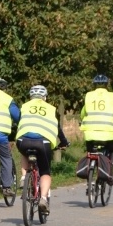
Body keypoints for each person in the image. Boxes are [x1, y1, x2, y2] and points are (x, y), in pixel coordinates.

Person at [15, 85, 69, 215]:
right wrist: (64, 142)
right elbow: (57, 129)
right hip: (43, 143)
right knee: (45, 171)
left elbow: (20, 122)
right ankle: (43, 199)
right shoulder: (51, 109)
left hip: (23, 140)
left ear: (30, 96)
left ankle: (23, 177)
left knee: (23, 153)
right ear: (44, 97)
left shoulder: (25, 106)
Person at [79, 74, 113, 172]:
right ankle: (108, 168)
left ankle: (90, 167)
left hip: (90, 134)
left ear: (94, 85)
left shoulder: (88, 96)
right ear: (106, 85)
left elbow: (83, 114)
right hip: (108, 133)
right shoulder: (112, 96)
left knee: (90, 151)